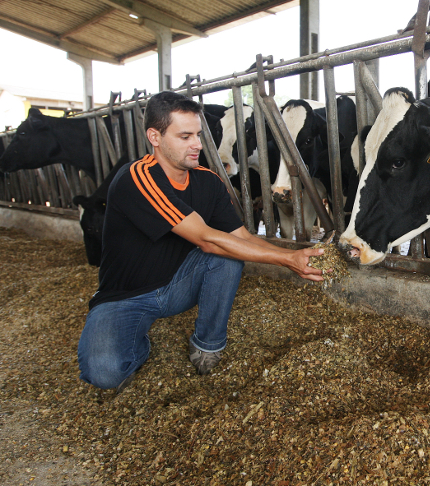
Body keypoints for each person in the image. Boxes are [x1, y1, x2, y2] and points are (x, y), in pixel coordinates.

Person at [77, 91, 326, 392]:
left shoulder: (207, 181)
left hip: (179, 285)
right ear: (154, 137)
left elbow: (242, 238)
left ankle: (208, 344)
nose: (197, 144)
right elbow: (206, 239)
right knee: (104, 374)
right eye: (185, 136)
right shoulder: (137, 178)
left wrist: (298, 254)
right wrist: (288, 261)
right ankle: (134, 337)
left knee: (226, 253)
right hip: (124, 297)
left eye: (198, 134)